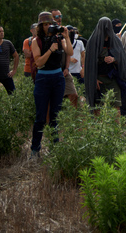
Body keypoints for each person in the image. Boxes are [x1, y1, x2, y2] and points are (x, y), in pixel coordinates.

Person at [30, 12, 73, 157]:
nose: (48, 27)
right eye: (45, 24)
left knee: (55, 115)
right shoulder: (36, 41)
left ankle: (55, 148)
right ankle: (35, 148)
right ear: (40, 26)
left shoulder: (58, 38)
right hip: (43, 78)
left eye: (50, 24)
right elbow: (38, 62)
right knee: (41, 116)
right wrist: (50, 50)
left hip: (58, 77)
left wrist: (66, 36)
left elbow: (70, 52)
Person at [85, 17, 126, 112]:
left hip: (112, 78)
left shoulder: (115, 40)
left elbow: (123, 57)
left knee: (116, 105)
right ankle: (97, 127)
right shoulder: (93, 42)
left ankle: (117, 127)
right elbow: (89, 63)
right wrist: (93, 79)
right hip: (98, 78)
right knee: (97, 107)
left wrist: (114, 59)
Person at [51, 9, 79, 107]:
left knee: (73, 95)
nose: (59, 19)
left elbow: (69, 53)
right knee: (52, 100)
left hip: (63, 70)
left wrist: (67, 67)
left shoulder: (63, 32)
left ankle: (73, 118)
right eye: (56, 17)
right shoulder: (47, 32)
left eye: (60, 16)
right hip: (50, 70)